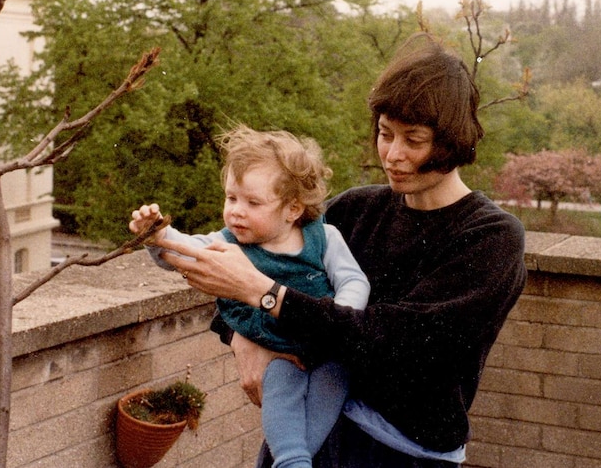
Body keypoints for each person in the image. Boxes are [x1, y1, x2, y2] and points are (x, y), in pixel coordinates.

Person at [155, 32, 528, 468]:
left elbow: (398, 342)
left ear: (451, 142)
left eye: (414, 139)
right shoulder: (355, 209)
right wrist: (241, 336)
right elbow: (251, 270)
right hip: (305, 440)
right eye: (386, 134)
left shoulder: (489, 237)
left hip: (401, 453)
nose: (392, 154)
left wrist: (267, 295)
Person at [128, 124, 370, 468]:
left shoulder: (324, 237)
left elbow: (354, 281)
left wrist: (338, 315)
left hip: (327, 349)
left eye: (253, 202)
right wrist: (159, 235)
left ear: (293, 209)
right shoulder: (230, 242)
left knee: (332, 387)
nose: (237, 211)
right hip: (276, 354)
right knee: (280, 395)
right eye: (231, 198)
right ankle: (291, 460)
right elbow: (188, 252)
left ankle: (300, 457)